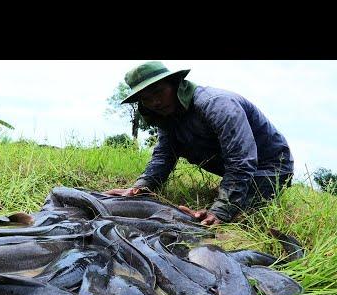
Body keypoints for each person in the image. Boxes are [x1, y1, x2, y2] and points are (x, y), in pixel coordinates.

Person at [104, 61, 294, 225]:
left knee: (237, 218)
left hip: (271, 168)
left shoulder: (217, 105)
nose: (155, 102)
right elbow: (163, 156)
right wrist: (140, 187)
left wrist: (221, 211)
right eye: (146, 98)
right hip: (233, 168)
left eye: (159, 92)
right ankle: (227, 192)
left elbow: (241, 159)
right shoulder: (168, 117)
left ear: (176, 84)